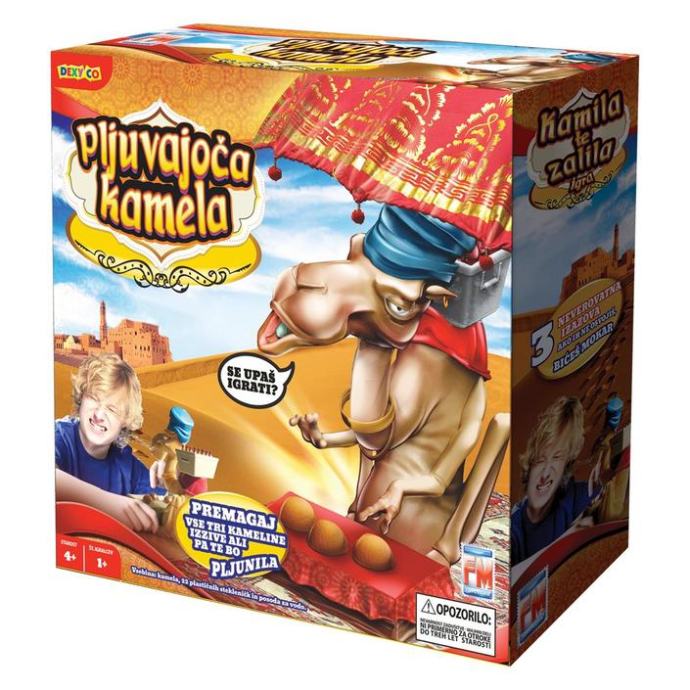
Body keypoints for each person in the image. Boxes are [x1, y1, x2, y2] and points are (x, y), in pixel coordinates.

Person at [55, 353, 164, 533]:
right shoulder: (59, 435)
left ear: (126, 420)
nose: (99, 415)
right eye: (94, 399)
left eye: (112, 409)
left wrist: (168, 481)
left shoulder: (127, 465)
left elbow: (165, 506)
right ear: (81, 398)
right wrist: (109, 504)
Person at [511, 397, 598, 565]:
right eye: (540, 460)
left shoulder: (582, 497)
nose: (545, 473)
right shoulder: (513, 527)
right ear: (530, 463)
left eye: (557, 458)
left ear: (566, 463)